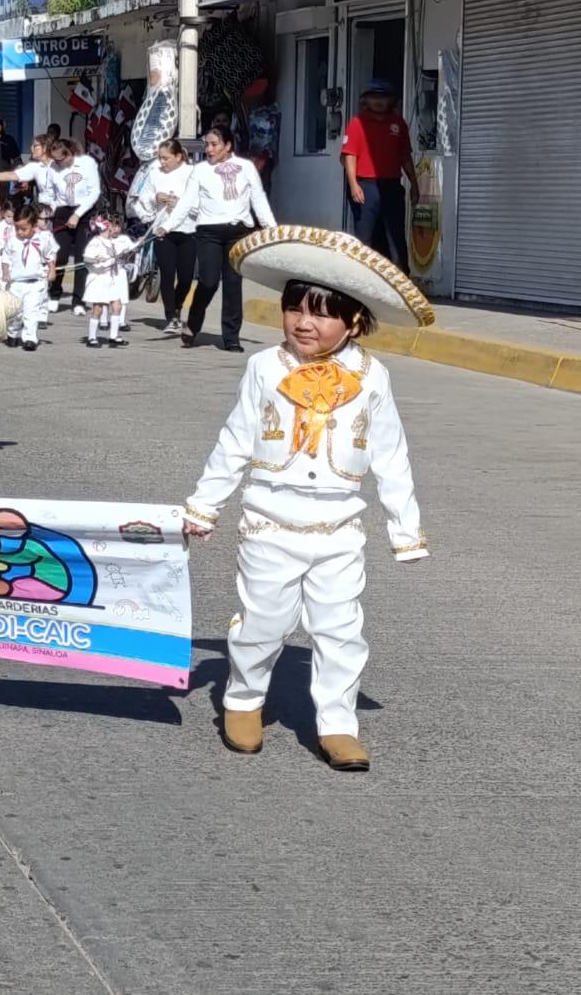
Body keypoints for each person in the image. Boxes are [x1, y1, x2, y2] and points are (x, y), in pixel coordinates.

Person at [183, 225, 432, 771]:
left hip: (340, 531)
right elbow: (235, 439)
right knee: (263, 623)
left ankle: (338, 724)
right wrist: (205, 506)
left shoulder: (372, 377)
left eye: (321, 314)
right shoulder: (265, 367)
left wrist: (405, 530)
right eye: (294, 308)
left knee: (341, 631)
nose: (303, 322)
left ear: (355, 321)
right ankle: (243, 699)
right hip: (270, 523)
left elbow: (391, 454)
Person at [184, 126, 275, 351]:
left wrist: (271, 228)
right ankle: (193, 322)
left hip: (238, 232)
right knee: (208, 282)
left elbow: (258, 198)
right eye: (207, 144)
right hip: (208, 232)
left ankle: (231, 337)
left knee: (233, 284)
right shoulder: (200, 170)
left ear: (228, 145)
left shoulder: (246, 167)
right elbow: (186, 201)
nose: (209, 149)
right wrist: (166, 225)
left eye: (214, 144)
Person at [340, 81, 419, 269]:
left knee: (395, 237)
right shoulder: (357, 124)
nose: (378, 101)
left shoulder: (398, 124)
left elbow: (405, 156)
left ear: (391, 100)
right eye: (374, 97)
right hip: (365, 186)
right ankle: (361, 278)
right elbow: (349, 156)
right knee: (365, 238)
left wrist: (414, 184)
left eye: (383, 97)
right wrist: (353, 184)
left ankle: (399, 279)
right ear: (366, 100)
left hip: (391, 186)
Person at [139, 139, 200, 335]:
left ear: (178, 156)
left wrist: (180, 203)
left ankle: (177, 305)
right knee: (167, 273)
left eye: (166, 158)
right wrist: (155, 198)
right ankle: (171, 316)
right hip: (162, 230)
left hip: (188, 229)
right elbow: (144, 196)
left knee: (186, 277)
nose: (162, 162)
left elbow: (200, 201)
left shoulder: (192, 173)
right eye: (160, 158)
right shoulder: (155, 172)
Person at [45, 138, 102, 315]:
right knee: (60, 255)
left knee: (81, 257)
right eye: (55, 160)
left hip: (84, 211)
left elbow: (94, 191)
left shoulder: (87, 163)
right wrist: (51, 211)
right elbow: (50, 193)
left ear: (70, 154)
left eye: (60, 159)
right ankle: (54, 294)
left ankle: (78, 300)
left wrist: (78, 214)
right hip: (62, 211)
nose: (58, 163)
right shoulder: (53, 168)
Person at [0, 204, 56, 352]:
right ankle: (12, 334)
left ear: (34, 225)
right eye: (17, 228)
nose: (19, 232)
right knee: (15, 312)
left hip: (35, 283)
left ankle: (30, 338)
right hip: (16, 283)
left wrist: (52, 271)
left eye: (23, 229)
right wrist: (5, 273)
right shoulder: (12, 241)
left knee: (31, 312)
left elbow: (50, 257)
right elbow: (6, 259)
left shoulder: (42, 240)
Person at [80, 213, 135, 350]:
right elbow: (86, 258)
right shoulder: (96, 242)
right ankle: (92, 337)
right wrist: (96, 260)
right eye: (111, 226)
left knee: (117, 305)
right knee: (98, 308)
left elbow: (120, 252)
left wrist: (125, 252)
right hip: (100, 278)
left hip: (111, 277)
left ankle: (113, 336)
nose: (114, 229)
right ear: (106, 227)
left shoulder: (112, 242)